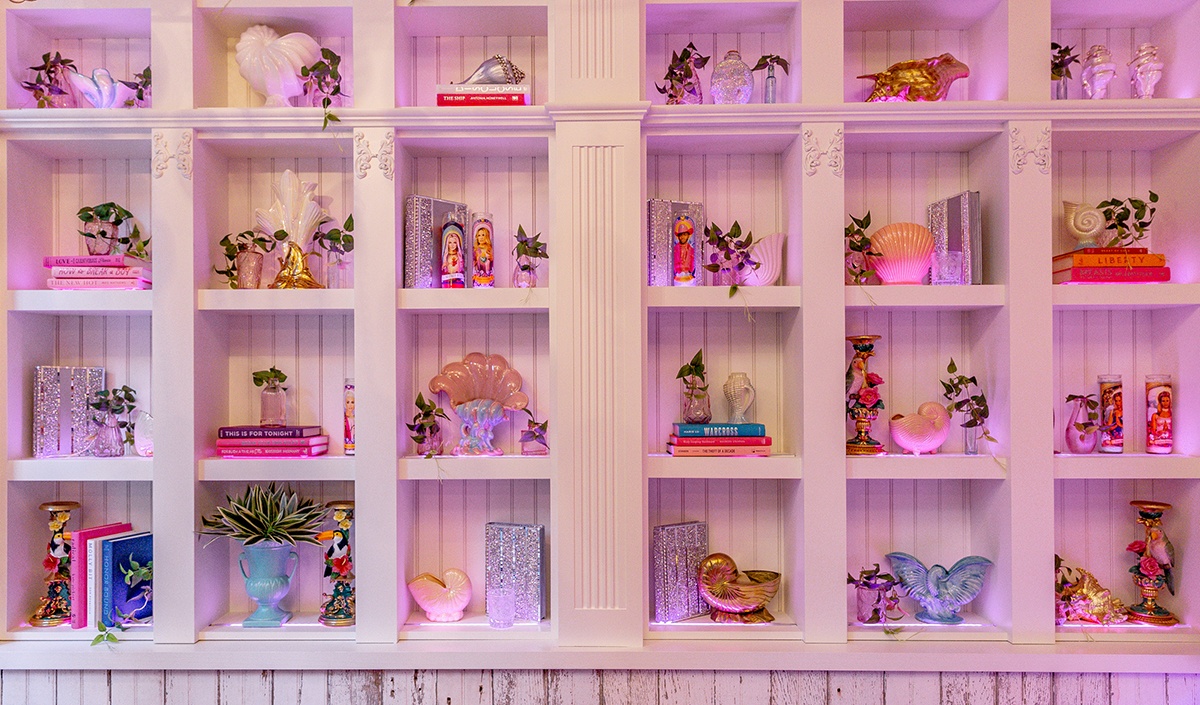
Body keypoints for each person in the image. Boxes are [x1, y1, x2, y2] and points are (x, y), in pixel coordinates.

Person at [673, 216, 696, 284]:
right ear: (678, 237)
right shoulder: (675, 249)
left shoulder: (691, 249)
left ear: (688, 236)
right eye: (681, 235)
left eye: (685, 234)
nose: (682, 237)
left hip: (689, 277)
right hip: (678, 277)